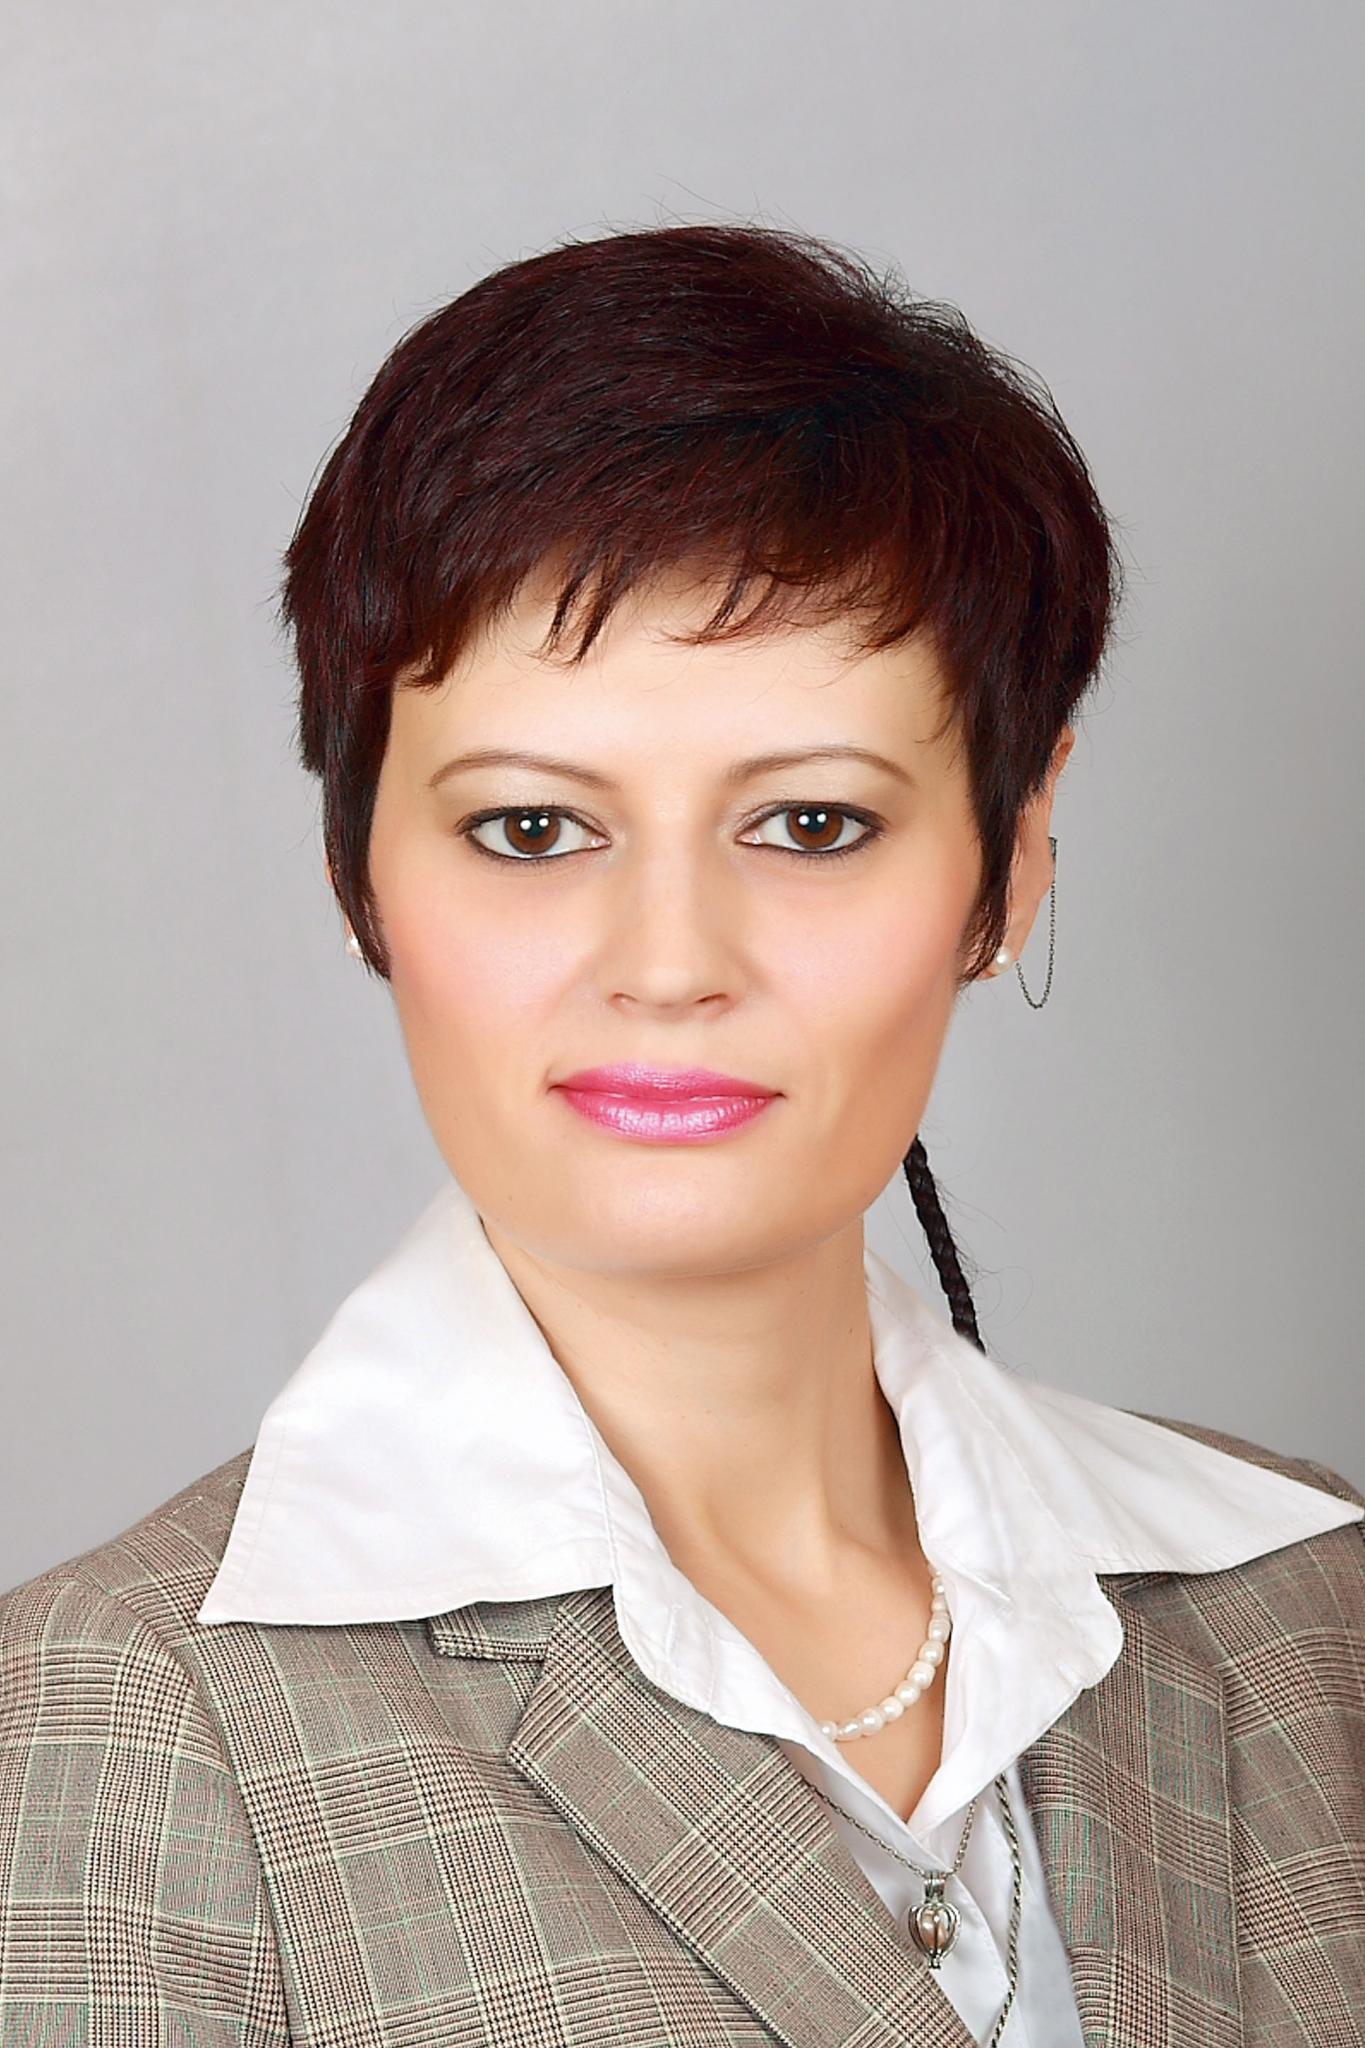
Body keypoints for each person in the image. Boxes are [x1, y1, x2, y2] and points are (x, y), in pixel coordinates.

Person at [1, 223, 1360, 2048]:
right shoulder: (110, 1732)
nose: (666, 964)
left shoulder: (1306, 1616)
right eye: (530, 829)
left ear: (1012, 859)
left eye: (809, 825)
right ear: (356, 870)